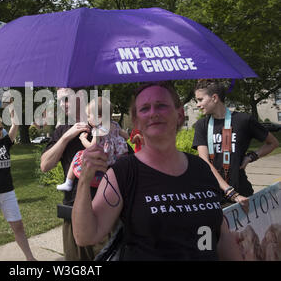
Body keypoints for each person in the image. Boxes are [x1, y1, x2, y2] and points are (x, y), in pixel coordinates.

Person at [72, 81, 243, 260]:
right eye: (145, 108)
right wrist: (84, 179)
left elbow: (222, 236)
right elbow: (86, 236)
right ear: (136, 120)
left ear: (179, 114)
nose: (153, 113)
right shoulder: (123, 173)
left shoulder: (201, 169)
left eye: (161, 105)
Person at [41, 88, 109, 261]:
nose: (62, 105)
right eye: (60, 101)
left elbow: (124, 157)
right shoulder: (62, 130)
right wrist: (65, 138)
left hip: (104, 208)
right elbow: (45, 165)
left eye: (65, 99)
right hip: (74, 209)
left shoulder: (104, 125)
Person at [192, 80, 279, 210]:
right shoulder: (201, 125)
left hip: (242, 194)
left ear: (214, 98)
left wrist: (251, 156)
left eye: (200, 99)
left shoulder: (243, 120)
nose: (198, 105)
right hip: (213, 195)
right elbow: (204, 161)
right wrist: (230, 192)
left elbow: (273, 143)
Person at [0, 105, 36, 261]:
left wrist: (11, 109)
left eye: (0, 129)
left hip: (8, 193)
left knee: (18, 227)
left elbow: (15, 124)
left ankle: (30, 258)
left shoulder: (6, 143)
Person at [57, 97, 129, 191]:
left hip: (102, 157)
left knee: (78, 155)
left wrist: (83, 139)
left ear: (98, 117)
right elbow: (126, 137)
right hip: (116, 158)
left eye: (89, 116)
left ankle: (68, 182)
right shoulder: (115, 125)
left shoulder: (98, 131)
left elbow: (92, 146)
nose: (87, 119)